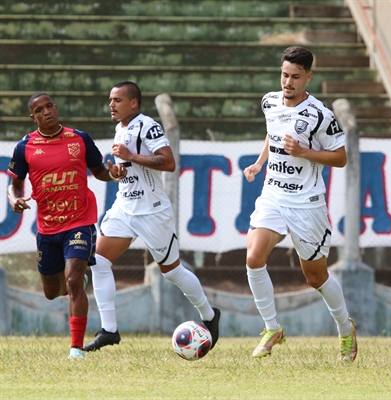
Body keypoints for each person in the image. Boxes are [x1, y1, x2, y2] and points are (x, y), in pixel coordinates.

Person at [84, 81, 220, 352]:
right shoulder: (120, 128)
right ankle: (109, 330)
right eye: (110, 100)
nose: (111, 104)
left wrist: (131, 156)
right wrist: (116, 172)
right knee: (98, 262)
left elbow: (169, 162)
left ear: (134, 103)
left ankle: (210, 314)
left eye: (117, 100)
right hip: (124, 206)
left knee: (172, 272)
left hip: (152, 211)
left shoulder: (148, 125)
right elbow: (126, 170)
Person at [243, 46, 357, 361]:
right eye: (284, 75)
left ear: (308, 76)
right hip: (273, 196)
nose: (288, 82)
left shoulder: (320, 115)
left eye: (295, 77)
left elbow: (340, 157)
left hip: (306, 204)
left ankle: (345, 329)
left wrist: (304, 152)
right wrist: (258, 164)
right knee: (253, 258)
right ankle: (272, 328)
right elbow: (273, 134)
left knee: (315, 277)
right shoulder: (269, 102)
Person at [7, 92, 127, 359]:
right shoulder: (24, 147)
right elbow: (15, 183)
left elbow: (100, 171)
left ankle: (76, 348)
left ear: (56, 108)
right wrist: (14, 199)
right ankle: (73, 282)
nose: (47, 111)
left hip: (80, 221)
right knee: (53, 292)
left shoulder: (79, 138)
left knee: (74, 281)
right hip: (48, 228)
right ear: (33, 116)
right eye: (40, 109)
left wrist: (114, 174)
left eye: (50, 106)